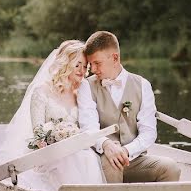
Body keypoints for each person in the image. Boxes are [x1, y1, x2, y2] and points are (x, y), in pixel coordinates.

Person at [0, 40, 105, 191]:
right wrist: (52, 139)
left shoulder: (81, 92)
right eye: (77, 65)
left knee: (86, 157)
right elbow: (38, 131)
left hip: (76, 151)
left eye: (85, 66)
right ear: (66, 64)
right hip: (48, 152)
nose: (82, 70)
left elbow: (87, 125)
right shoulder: (41, 92)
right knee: (68, 160)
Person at [77, 31, 180, 183]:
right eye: (91, 64)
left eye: (97, 63)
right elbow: (89, 128)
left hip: (134, 158)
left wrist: (126, 150)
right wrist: (106, 145)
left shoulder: (142, 85)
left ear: (115, 58)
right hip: (102, 157)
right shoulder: (87, 86)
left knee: (171, 168)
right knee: (113, 163)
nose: (92, 69)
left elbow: (149, 132)